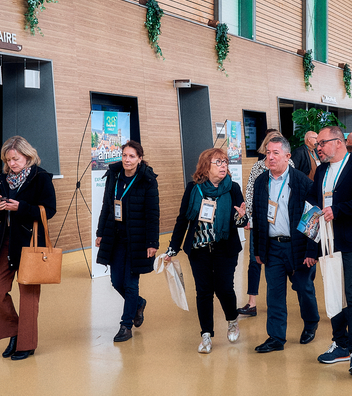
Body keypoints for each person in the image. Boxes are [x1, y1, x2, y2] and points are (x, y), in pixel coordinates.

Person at [311, 127, 352, 377]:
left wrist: (338, 210)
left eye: (322, 143)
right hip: (328, 242)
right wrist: (310, 245)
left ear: (338, 142)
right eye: (317, 144)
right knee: (333, 293)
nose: (318, 148)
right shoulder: (321, 171)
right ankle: (340, 343)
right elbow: (313, 205)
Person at [166, 148, 247, 353]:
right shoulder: (193, 189)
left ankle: (232, 320)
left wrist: (242, 217)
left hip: (224, 247)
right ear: (205, 166)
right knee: (203, 291)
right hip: (199, 248)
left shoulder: (233, 188)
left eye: (225, 162)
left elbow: (241, 221)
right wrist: (173, 248)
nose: (223, 166)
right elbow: (183, 220)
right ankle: (206, 335)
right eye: (218, 162)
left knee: (224, 288)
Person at [0, 135, 57, 361]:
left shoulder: (41, 177)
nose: (11, 164)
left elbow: (49, 210)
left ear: (27, 156)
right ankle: (14, 332)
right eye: (8, 160)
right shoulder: (3, 179)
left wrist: (22, 207)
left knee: (28, 295)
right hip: (5, 241)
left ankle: (27, 344)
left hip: (30, 243)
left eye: (15, 159)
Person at [250, 135, 320, 351]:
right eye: (268, 153)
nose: (270, 157)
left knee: (304, 288)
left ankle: (311, 322)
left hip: (298, 246)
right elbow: (258, 218)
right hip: (273, 247)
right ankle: (276, 337)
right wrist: (257, 249)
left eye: (275, 153)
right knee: (274, 294)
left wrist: (312, 251)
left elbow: (313, 218)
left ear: (288, 156)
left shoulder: (303, 182)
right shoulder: (261, 182)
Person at [95, 139, 160, 343]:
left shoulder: (148, 180)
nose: (127, 160)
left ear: (140, 159)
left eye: (132, 156)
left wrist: (152, 242)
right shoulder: (113, 176)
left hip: (137, 239)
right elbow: (106, 206)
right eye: (124, 155)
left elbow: (152, 214)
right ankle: (138, 304)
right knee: (116, 281)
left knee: (131, 283)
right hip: (115, 237)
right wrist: (100, 232)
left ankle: (126, 325)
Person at [238, 128, 285, 318]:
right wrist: (250, 217)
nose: (272, 153)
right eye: (269, 149)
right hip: (259, 221)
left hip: (281, 222)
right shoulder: (257, 167)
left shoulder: (288, 163)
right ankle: (252, 302)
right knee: (254, 260)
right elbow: (250, 192)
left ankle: (279, 302)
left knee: (281, 263)